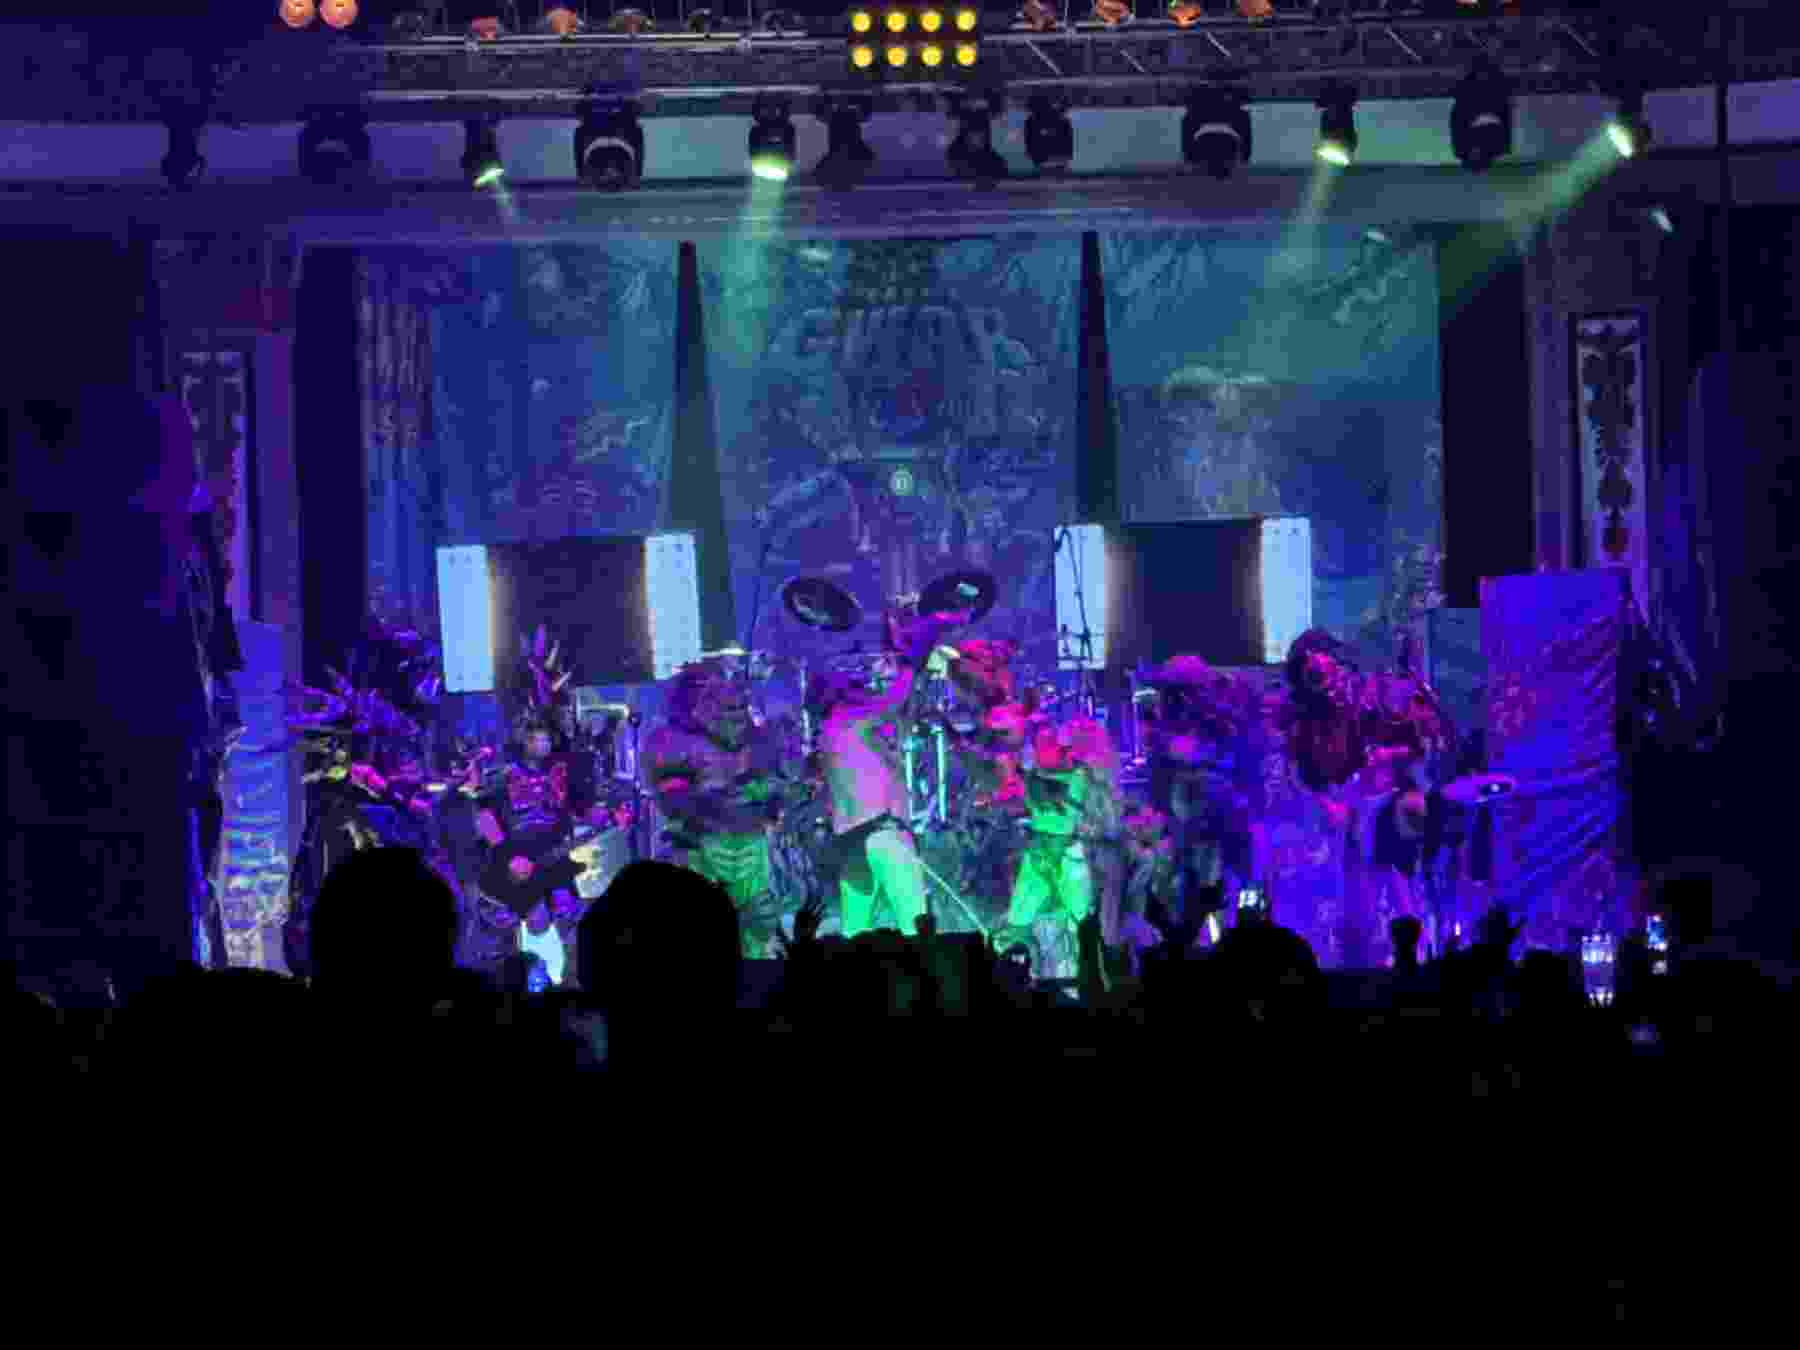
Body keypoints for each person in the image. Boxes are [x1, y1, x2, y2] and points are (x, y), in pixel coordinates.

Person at [7, 388, 208, 1004]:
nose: (195, 491)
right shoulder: (121, 560)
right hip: (116, 771)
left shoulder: (155, 557)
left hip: (143, 768)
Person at [1279, 628, 1451, 967]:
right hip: (1338, 814)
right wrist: (1327, 805)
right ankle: (1356, 950)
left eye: (1326, 662)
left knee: (1396, 857)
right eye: (1311, 669)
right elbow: (1299, 776)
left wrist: (1390, 757)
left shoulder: (1367, 697)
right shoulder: (1304, 721)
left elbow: (1415, 745)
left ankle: (1410, 943)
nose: (1323, 671)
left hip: (1380, 805)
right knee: (1352, 883)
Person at [808, 599, 964, 939]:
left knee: (855, 932)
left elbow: (900, 716)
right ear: (839, 694)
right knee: (915, 927)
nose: (863, 686)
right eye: (854, 685)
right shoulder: (849, 718)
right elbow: (894, 701)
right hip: (884, 835)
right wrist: (911, 660)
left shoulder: (835, 731)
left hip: (852, 842)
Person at [643, 657, 804, 958]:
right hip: (701, 850)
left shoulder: (756, 739)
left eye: (736, 705)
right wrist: (717, 801)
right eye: (712, 694)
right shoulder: (672, 741)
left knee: (758, 929)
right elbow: (673, 800)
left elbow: (777, 787)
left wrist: (769, 793)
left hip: (750, 849)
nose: (732, 711)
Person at [473, 711, 605, 987]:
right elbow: (485, 817)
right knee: (511, 924)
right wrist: (507, 856)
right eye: (537, 739)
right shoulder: (502, 776)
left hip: (554, 857)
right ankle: (506, 983)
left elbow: (580, 810)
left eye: (546, 739)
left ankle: (576, 981)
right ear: (524, 740)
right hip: (514, 860)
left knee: (570, 914)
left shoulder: (561, 774)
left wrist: (601, 815)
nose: (544, 745)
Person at [990, 715, 1120, 980]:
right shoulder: (1033, 775)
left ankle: (1096, 979)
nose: (1039, 748)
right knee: (1016, 922)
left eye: (1047, 742)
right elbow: (1024, 799)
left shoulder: (1078, 777)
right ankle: (1019, 974)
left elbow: (1076, 819)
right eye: (1037, 743)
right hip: (1039, 855)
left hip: (1069, 857)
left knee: (1082, 925)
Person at [1141, 654, 1260, 943]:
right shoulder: (1166, 735)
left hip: (1217, 834)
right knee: (1188, 904)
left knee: (1220, 900)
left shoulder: (1223, 727)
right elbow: (1159, 786)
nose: (1174, 701)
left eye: (1180, 693)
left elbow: (1244, 777)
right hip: (1184, 837)